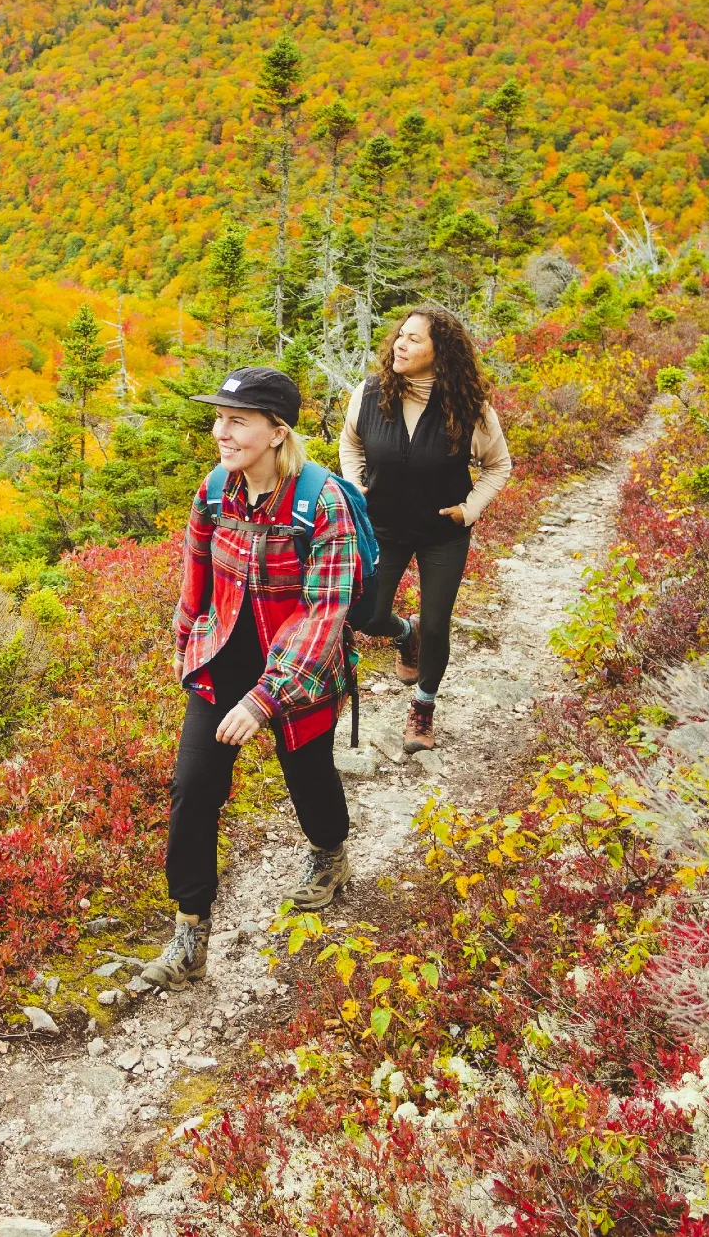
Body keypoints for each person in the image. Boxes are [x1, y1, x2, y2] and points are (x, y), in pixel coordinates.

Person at [134, 365, 362, 992]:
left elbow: (324, 613)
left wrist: (266, 699)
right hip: (224, 656)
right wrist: (187, 645)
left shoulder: (324, 502)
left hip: (301, 668)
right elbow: (196, 570)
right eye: (220, 419)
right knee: (192, 790)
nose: (222, 432)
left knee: (308, 776)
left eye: (238, 421)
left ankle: (329, 853)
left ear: (276, 430)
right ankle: (189, 936)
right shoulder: (215, 490)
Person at [341, 304, 512, 753]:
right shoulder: (370, 393)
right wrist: (356, 483)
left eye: (415, 339)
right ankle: (405, 635)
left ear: (441, 353)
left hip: (442, 534)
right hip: (384, 527)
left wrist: (468, 509)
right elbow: (351, 442)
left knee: (437, 624)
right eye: (401, 335)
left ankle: (423, 707)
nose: (401, 343)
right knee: (367, 615)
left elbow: (499, 466)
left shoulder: (470, 408)